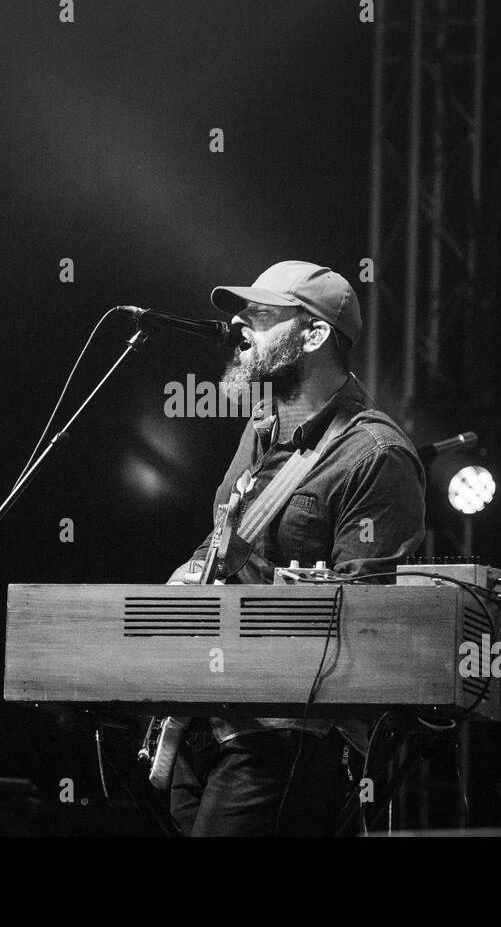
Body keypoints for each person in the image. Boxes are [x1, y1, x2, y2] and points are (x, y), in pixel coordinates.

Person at [164, 260, 426, 836]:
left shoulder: (376, 455)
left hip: (289, 737)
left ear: (314, 335)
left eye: (261, 314)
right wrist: (189, 577)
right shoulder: (261, 428)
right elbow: (226, 544)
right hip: (209, 717)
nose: (239, 325)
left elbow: (364, 619)